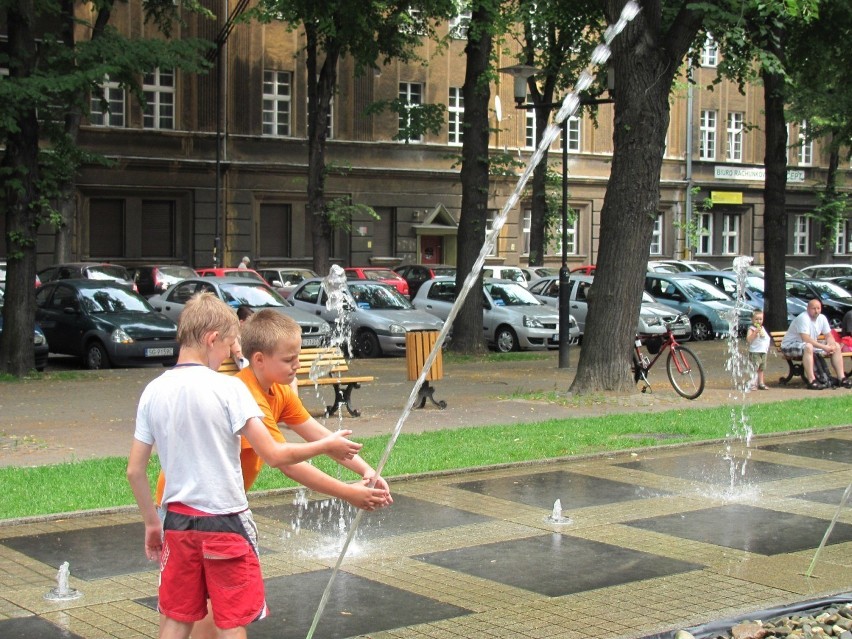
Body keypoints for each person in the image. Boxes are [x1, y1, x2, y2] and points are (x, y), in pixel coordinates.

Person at [127, 292, 363, 639]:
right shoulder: (230, 390)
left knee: (177, 618)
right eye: (228, 347)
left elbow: (135, 471)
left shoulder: (153, 391)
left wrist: (151, 523)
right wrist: (326, 444)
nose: (229, 355)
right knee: (230, 619)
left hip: (176, 521)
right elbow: (275, 456)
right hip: (224, 521)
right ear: (211, 339)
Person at [780, 298, 846, 389]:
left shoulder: (822, 318)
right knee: (808, 346)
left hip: (807, 345)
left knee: (837, 346)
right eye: (813, 308)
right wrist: (824, 347)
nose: (816, 311)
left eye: (818, 308)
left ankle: (841, 378)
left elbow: (829, 335)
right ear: (808, 309)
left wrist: (831, 345)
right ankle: (812, 381)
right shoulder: (803, 318)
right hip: (789, 346)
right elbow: (806, 339)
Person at [746, 309, 770, 390]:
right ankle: (753, 383)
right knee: (755, 368)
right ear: (752, 320)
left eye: (760, 319)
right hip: (755, 352)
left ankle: (761, 383)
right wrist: (755, 333)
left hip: (763, 351)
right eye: (756, 319)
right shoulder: (751, 329)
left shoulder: (762, 328)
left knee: (761, 368)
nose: (759, 321)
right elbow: (749, 339)